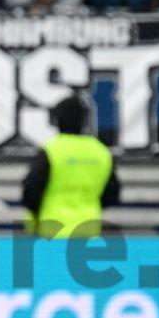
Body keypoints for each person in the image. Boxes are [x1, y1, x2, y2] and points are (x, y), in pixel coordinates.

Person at [21, 95, 121, 238]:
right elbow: (112, 194)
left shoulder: (52, 150)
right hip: (89, 230)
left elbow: (30, 192)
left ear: (57, 120)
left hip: (53, 230)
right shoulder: (100, 152)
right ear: (85, 121)